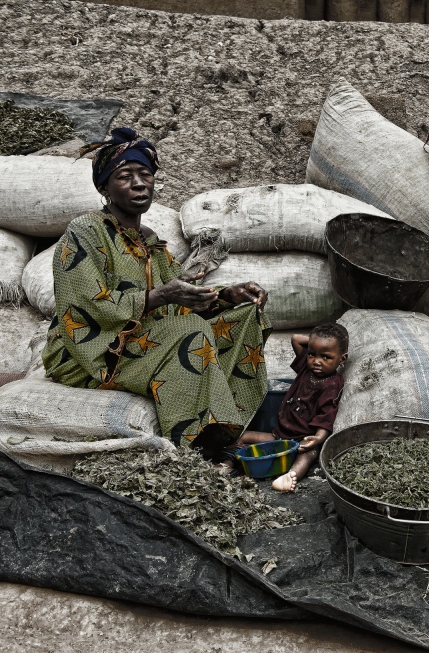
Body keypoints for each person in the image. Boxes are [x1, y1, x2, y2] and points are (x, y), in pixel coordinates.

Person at [42, 127, 271, 458]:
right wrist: (162, 297)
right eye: (124, 176)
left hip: (139, 341)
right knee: (187, 331)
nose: (138, 183)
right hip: (90, 354)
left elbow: (184, 294)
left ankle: (226, 427)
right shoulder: (86, 231)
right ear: (105, 187)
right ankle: (195, 448)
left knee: (244, 317)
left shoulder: (149, 240)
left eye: (144, 174)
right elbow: (89, 306)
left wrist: (227, 296)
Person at [226, 322, 348, 491]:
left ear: (342, 359)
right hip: (279, 435)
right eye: (312, 354)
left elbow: (326, 415)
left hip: (302, 441)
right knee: (242, 436)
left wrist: (317, 439)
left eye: (326, 357)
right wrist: (317, 341)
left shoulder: (333, 384)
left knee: (308, 456)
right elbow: (296, 339)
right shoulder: (306, 368)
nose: (317, 361)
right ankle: (227, 464)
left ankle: (290, 476)